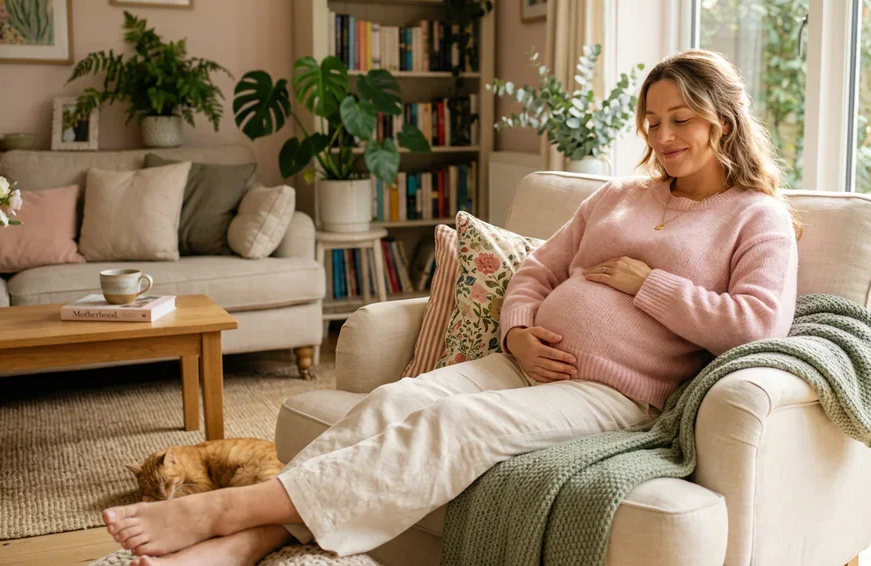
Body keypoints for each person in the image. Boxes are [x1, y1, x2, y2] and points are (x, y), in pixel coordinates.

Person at [101, 49, 800, 566]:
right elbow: (536, 269)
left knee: (451, 425)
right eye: (651, 121)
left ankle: (223, 512)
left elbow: (757, 325)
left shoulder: (754, 217)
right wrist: (520, 331)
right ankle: (249, 541)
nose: (663, 136)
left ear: (723, 118)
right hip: (526, 362)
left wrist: (647, 283)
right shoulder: (619, 195)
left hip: (613, 393)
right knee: (390, 404)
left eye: (681, 119)